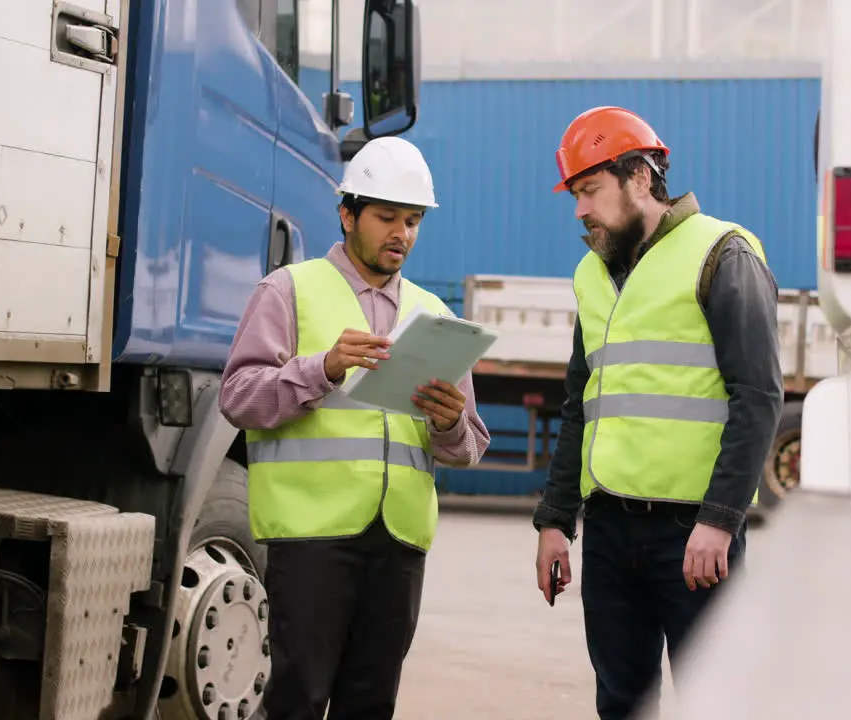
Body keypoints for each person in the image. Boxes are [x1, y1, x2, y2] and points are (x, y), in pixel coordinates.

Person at [218, 135, 490, 720]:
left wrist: (447, 424)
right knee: (298, 699)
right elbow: (238, 399)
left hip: (398, 542)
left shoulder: (435, 318)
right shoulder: (288, 291)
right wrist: (322, 368)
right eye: (387, 217)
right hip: (312, 536)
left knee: (371, 704)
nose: (402, 234)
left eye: (413, 221)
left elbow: (468, 445)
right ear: (348, 215)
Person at [532, 106, 784, 719]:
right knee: (621, 703)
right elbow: (580, 406)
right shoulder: (591, 277)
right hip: (612, 532)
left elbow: (757, 396)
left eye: (589, 190)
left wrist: (721, 519)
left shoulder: (722, 254)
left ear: (640, 178)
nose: (580, 210)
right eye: (575, 194)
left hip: (694, 538)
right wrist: (555, 520)